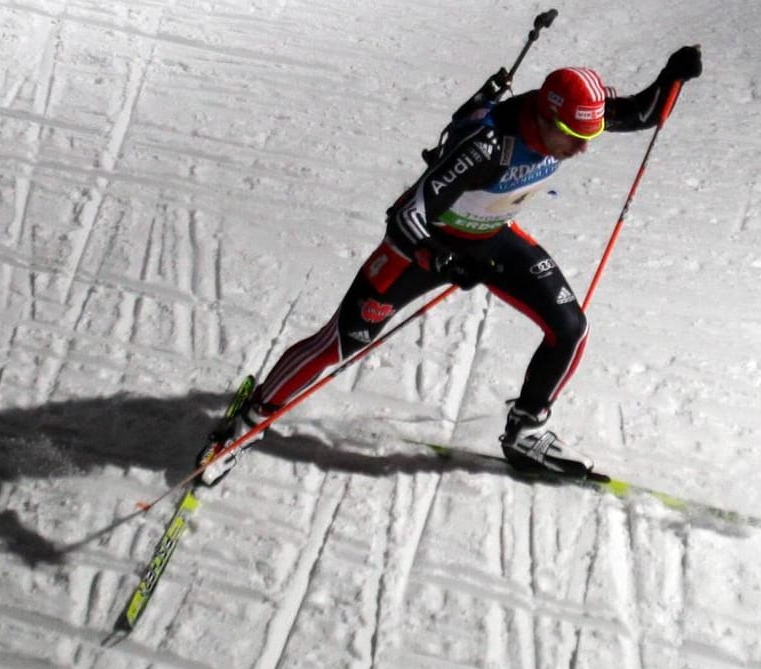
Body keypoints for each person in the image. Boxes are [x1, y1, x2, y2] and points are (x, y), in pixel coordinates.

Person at [201, 45, 703, 485]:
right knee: (343, 340)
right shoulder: (488, 145)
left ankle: (527, 429)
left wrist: (674, 76)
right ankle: (247, 421)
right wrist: (441, 258)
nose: (582, 148)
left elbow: (641, 114)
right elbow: (405, 215)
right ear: (548, 119)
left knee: (569, 326)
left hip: (489, 239)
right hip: (419, 249)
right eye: (574, 136)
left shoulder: (572, 118)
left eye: (588, 136)